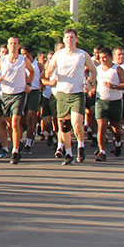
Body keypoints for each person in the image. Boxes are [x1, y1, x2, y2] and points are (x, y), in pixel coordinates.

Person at [43, 29, 96, 165]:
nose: (69, 40)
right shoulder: (58, 54)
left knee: (76, 122)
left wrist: (90, 83)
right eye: (66, 37)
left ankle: (80, 145)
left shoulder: (82, 55)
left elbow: (93, 70)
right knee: (64, 126)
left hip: (77, 92)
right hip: (62, 93)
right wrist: (49, 72)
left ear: (76, 39)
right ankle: (68, 153)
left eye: (72, 37)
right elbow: (48, 71)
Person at [0, 37, 31, 164]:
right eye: (10, 43)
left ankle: (15, 151)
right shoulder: (2, 60)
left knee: (16, 122)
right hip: (4, 95)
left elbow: (31, 72)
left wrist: (29, 84)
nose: (12, 46)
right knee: (7, 123)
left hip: (19, 94)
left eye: (15, 43)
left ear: (18, 46)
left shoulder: (23, 60)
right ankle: (8, 146)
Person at [92, 47, 124, 161]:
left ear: (110, 57)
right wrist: (92, 89)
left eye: (105, 58)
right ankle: (102, 151)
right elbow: (94, 82)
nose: (103, 60)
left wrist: (114, 86)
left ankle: (118, 142)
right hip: (101, 101)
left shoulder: (117, 69)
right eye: (100, 58)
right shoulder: (98, 69)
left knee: (116, 128)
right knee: (102, 126)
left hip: (115, 102)